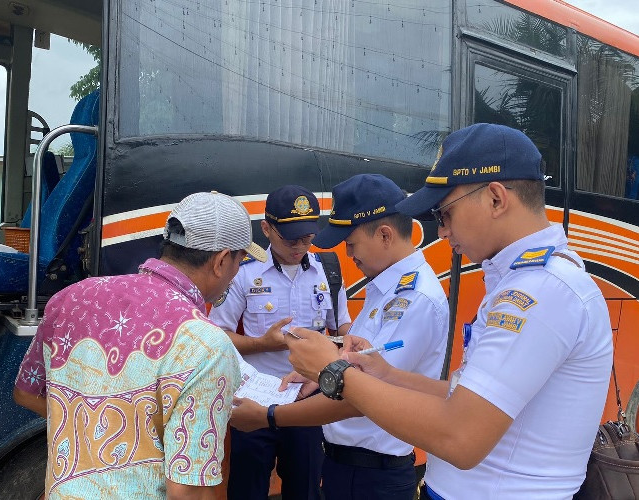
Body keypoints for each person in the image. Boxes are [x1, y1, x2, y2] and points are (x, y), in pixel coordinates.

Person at [284, 124, 614, 499]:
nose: (442, 232)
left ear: (495, 198)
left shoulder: (539, 291)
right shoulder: (525, 282)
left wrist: (335, 372)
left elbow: (460, 436)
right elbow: (464, 397)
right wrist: (386, 373)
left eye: (444, 213)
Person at [13, 191, 267, 499]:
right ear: (222, 260)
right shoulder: (207, 345)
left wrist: (92, 436)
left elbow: (26, 392)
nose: (236, 273)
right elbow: (188, 491)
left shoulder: (72, 298)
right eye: (240, 261)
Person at [230, 174, 448, 500]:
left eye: (351, 243)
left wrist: (269, 416)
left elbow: (360, 398)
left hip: (373, 474)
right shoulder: (383, 288)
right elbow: (361, 364)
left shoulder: (414, 299)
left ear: (385, 235)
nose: (349, 254)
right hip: (346, 465)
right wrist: (319, 375)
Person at [208, 185, 351, 500]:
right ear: (266, 229)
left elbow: (343, 332)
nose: (300, 246)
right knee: (248, 489)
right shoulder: (243, 273)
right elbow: (217, 337)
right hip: (255, 399)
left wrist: (334, 354)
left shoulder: (328, 270)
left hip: (307, 400)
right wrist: (262, 344)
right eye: (290, 238)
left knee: (306, 489)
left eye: (307, 237)